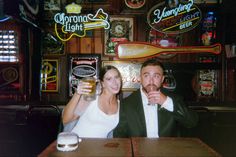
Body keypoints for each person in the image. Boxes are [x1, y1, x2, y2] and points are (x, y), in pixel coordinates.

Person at [113, 58, 198, 138]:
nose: (151, 81)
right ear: (140, 78)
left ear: (162, 79)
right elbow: (119, 137)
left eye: (156, 76)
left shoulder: (173, 99)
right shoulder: (126, 104)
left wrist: (166, 102)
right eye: (146, 76)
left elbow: (192, 122)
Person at [62, 65, 122, 138]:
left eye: (116, 77)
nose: (114, 82)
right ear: (102, 83)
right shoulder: (91, 97)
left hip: (100, 148)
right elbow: (66, 120)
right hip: (78, 145)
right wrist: (77, 94)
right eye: (109, 79)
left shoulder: (120, 105)